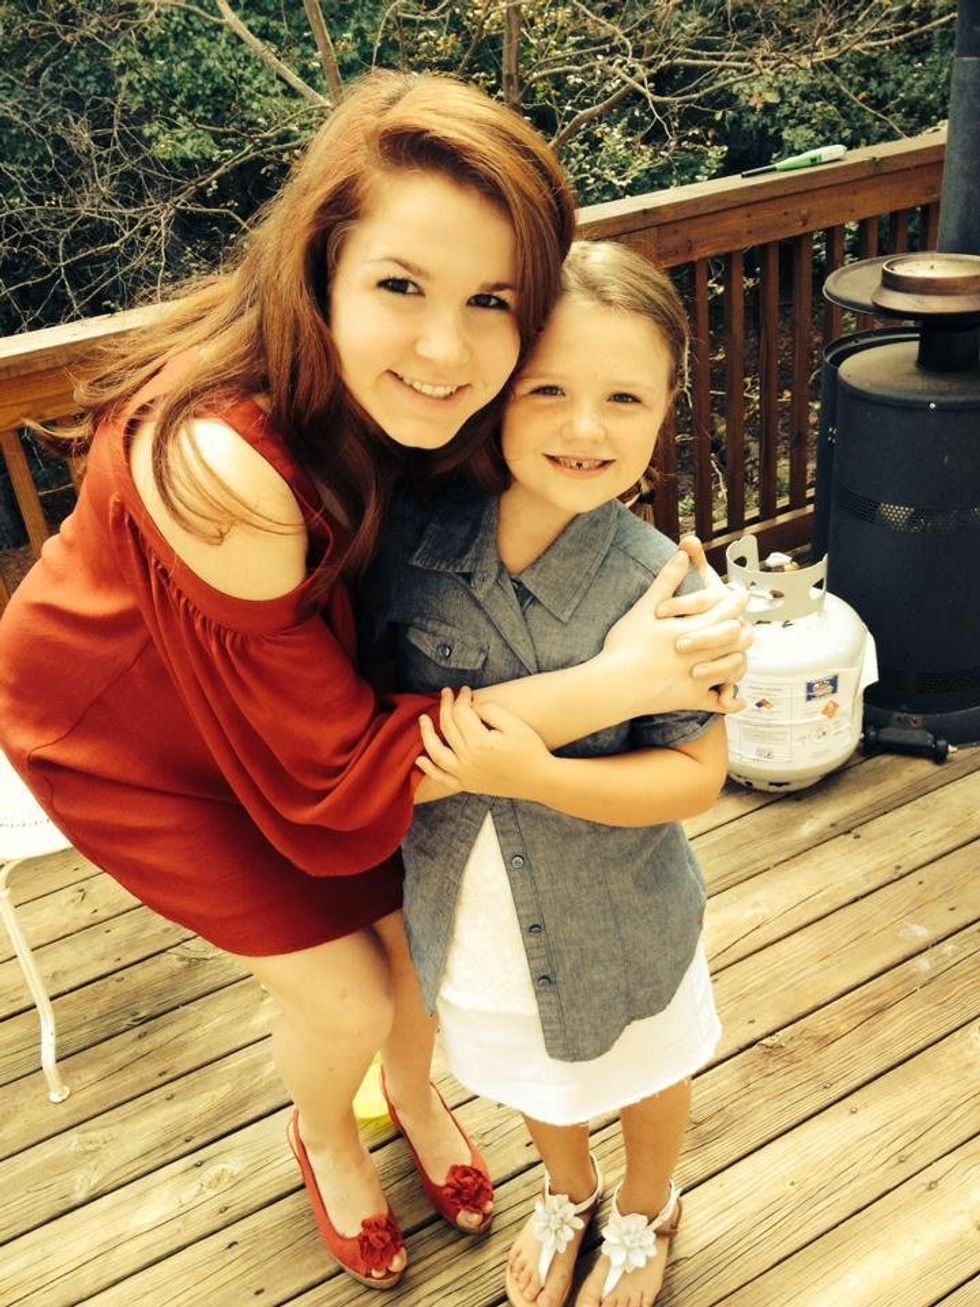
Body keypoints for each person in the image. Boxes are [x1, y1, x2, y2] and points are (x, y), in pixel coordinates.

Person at [0, 74, 748, 1294]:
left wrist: (691, 616)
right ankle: (330, 1135)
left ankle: (414, 1092)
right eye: (400, 284)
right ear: (320, 269)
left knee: (409, 942)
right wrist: (622, 679)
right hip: (134, 730)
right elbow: (339, 772)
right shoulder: (224, 459)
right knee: (345, 987)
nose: (446, 348)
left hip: (314, 699)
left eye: (491, 300)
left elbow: (552, 541)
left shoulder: (428, 410)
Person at [361, 239, 727, 1307]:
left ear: (665, 408)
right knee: (528, 1065)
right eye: (549, 390)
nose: (584, 428)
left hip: (622, 909)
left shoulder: (661, 585)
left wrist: (540, 775)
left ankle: (647, 1202)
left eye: (623, 398)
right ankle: (567, 1188)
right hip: (467, 911)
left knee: (647, 1063)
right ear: (496, 392)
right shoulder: (410, 546)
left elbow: (695, 773)